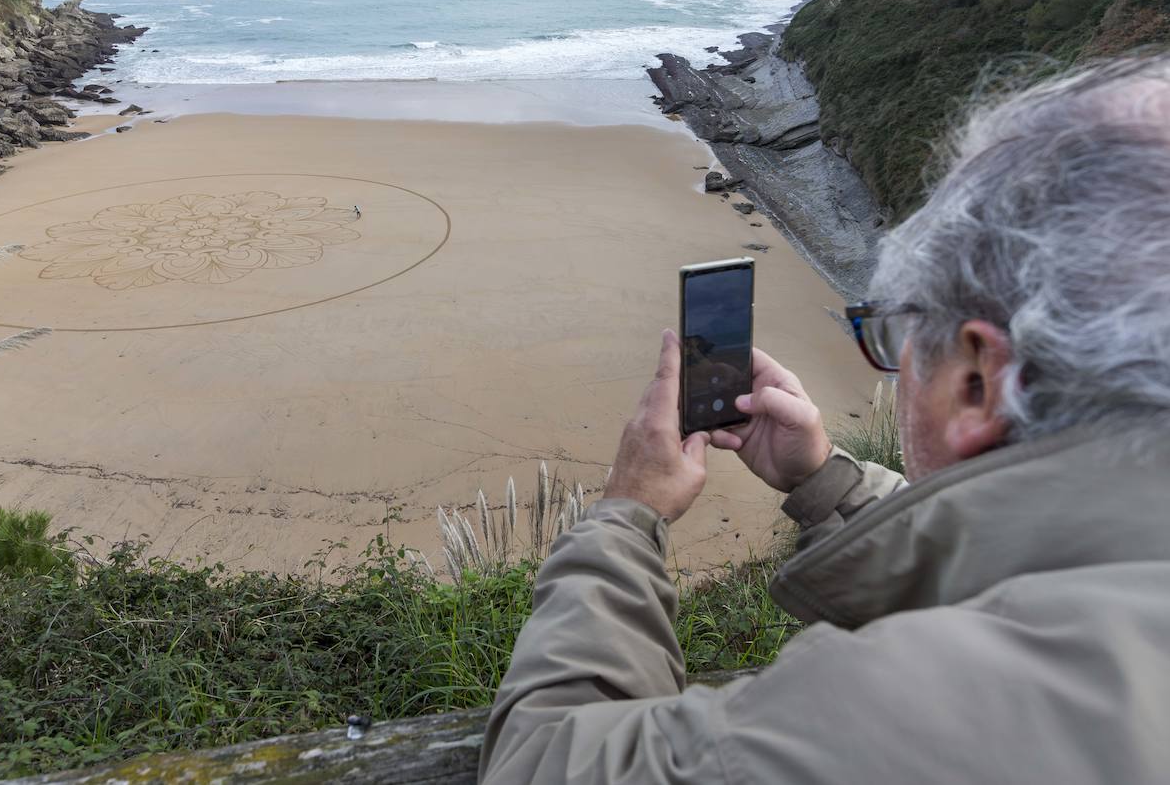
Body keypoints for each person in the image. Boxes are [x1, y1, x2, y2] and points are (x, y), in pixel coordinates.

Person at [480, 55, 1170, 783]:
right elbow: (1046, 568)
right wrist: (827, 485)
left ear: (975, 384)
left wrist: (624, 516)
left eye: (898, 341)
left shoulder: (896, 711)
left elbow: (546, 760)